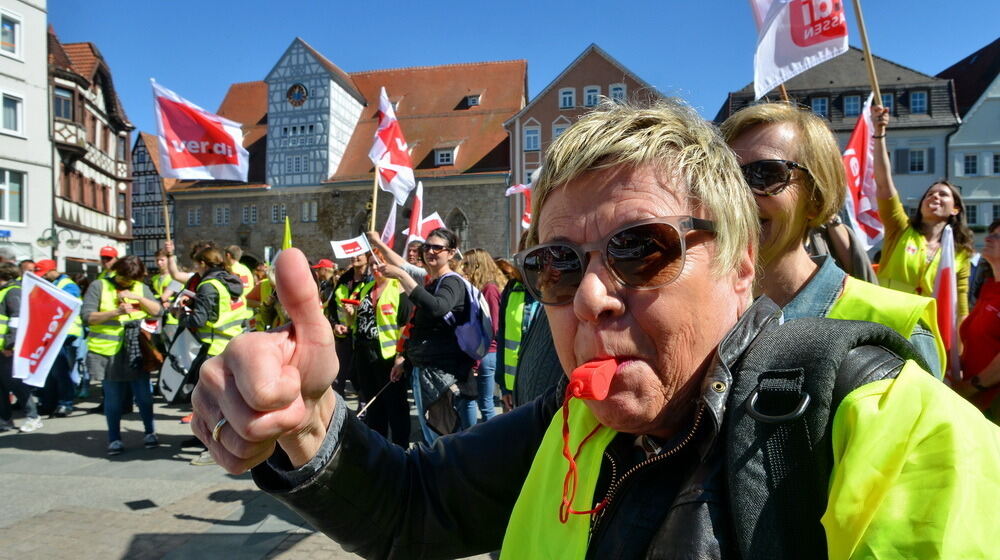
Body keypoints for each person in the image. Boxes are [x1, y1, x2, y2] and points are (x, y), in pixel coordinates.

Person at [192, 100, 1000, 558]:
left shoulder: (903, 435)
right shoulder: (568, 424)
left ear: (742, 266)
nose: (590, 300)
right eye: (557, 265)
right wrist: (306, 424)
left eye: (641, 250)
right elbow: (413, 508)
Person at [721, 102, 945, 377]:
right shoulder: (703, 315)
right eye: (723, 177)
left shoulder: (896, 324)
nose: (738, 196)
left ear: (816, 199)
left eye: (766, 175)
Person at [872, 107, 973, 325]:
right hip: (886, 321)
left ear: (955, 209)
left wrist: (959, 351)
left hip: (928, 330)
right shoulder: (900, 228)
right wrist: (879, 133)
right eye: (930, 194)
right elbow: (883, 184)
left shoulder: (961, 254)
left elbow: (961, 308)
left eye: (943, 194)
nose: (934, 197)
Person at [377, 228, 474, 443]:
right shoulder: (432, 282)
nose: (430, 251)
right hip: (425, 371)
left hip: (445, 375)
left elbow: (438, 308)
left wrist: (402, 276)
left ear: (451, 253)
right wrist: (403, 358)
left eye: (437, 247)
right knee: (434, 438)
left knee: (445, 438)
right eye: (427, 247)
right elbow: (418, 326)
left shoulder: (452, 281)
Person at [82, 255, 162, 455]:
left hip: (136, 350)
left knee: (144, 396)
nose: (128, 282)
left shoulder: (139, 287)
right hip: (109, 353)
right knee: (113, 399)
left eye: (132, 279)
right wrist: (115, 312)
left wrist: (139, 298)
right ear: (117, 271)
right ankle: (114, 439)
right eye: (125, 278)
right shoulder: (99, 286)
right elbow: (87, 317)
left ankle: (150, 433)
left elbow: (157, 311)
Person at [347, 254, 413, 446]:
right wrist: (350, 315)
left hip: (389, 355)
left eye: (380, 262)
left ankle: (401, 447)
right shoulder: (365, 288)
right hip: (364, 352)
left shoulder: (398, 289)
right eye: (373, 263)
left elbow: (405, 326)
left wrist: (401, 357)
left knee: (395, 405)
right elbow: (356, 322)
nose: (376, 266)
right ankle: (378, 446)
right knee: (373, 404)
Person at [957, 219, 1000, 422]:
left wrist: (973, 386)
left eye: (998, 236)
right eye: (990, 232)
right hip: (976, 403)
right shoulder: (989, 287)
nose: (989, 237)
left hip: (992, 403)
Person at [456, 248, 504, 424]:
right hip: (483, 352)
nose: (464, 268)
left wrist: (477, 360)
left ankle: (492, 446)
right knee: (482, 402)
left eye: (467, 264)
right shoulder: (484, 288)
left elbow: (492, 326)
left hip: (486, 353)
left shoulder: (489, 289)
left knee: (486, 404)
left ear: (477, 266)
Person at [34, 259, 83, 417]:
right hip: (51, 332)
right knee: (49, 371)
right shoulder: (52, 283)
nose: (42, 277)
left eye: (43, 274)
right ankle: (49, 403)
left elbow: (65, 306)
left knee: (60, 371)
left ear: (51, 271)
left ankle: (65, 403)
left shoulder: (68, 285)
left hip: (65, 333)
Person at [0, 262, 43, 433]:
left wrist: (10, 345)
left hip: (7, 348)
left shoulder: (12, 291)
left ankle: (33, 417)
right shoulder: (5, 291)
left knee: (16, 384)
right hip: (3, 347)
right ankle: (4, 420)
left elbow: (17, 320)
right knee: (1, 386)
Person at [330, 252, 372, 396]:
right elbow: (331, 307)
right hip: (342, 336)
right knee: (337, 378)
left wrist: (354, 314)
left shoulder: (371, 280)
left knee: (359, 377)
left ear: (367, 258)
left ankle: (363, 409)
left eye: (359, 254)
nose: (355, 257)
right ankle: (337, 413)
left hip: (361, 337)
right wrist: (335, 324)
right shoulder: (344, 279)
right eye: (353, 254)